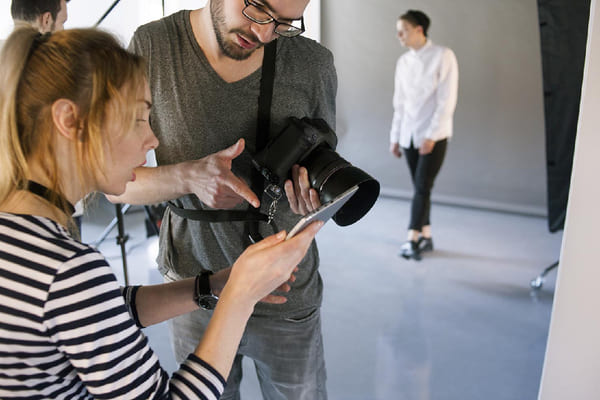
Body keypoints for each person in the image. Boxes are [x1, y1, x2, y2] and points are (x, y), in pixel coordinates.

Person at [0, 24, 322, 399]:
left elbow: (102, 311)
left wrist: (215, 285)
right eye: (139, 118)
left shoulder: (23, 240)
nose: (152, 139)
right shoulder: (67, 270)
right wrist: (240, 297)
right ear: (70, 120)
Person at [109, 1, 337, 398]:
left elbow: (324, 162)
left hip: (284, 286)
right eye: (259, 8)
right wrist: (187, 176)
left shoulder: (312, 63)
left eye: (284, 23)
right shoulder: (153, 47)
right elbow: (116, 183)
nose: (265, 34)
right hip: (192, 285)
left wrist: (311, 192)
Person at [389, 9, 459, 261]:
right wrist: (395, 137)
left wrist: (431, 135)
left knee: (421, 187)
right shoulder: (403, 62)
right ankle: (427, 235)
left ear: (419, 29)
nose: (399, 35)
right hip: (408, 136)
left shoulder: (443, 56)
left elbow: (445, 101)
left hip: (434, 137)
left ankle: (411, 239)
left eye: (403, 30)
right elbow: (400, 102)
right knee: (422, 188)